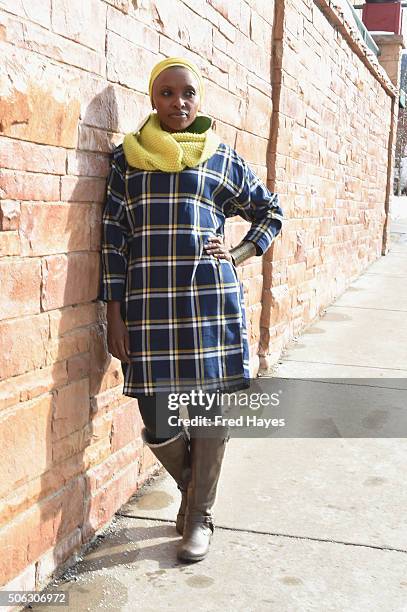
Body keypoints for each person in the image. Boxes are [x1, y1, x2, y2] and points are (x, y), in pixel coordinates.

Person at [99, 57, 283, 562]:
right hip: (146, 308)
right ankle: (191, 496)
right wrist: (113, 312)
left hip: (207, 305)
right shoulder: (126, 160)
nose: (178, 102)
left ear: (198, 100)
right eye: (166, 93)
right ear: (152, 98)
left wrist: (242, 252)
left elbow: (271, 212)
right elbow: (114, 241)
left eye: (188, 93)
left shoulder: (221, 159)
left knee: (206, 411)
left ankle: (199, 518)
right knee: (157, 420)